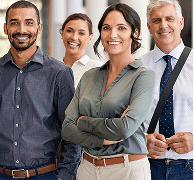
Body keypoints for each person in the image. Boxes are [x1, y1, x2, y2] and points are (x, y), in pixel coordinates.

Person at [0, 1, 80, 180]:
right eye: (14, 23)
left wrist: (64, 176)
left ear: (39, 28)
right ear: (5, 28)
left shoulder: (59, 73)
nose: (21, 29)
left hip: (46, 175)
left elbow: (71, 131)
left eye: (29, 23)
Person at [62, 3, 155, 180]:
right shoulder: (89, 76)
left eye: (121, 28)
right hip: (87, 168)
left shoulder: (143, 77)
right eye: (106, 28)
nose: (112, 34)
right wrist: (101, 139)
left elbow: (124, 129)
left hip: (127, 170)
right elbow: (67, 128)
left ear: (134, 33)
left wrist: (83, 122)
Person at [140, 0, 194, 179]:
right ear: (149, 27)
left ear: (181, 22)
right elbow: (125, 119)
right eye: (156, 21)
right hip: (147, 166)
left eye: (169, 18)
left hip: (190, 166)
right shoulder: (138, 67)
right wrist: (142, 139)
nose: (163, 25)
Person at [60, 13, 103, 87]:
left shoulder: (98, 69)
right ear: (62, 33)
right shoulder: (51, 68)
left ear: (90, 38)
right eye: (69, 31)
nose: (74, 37)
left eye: (81, 33)